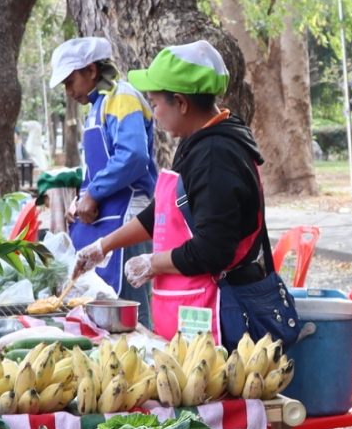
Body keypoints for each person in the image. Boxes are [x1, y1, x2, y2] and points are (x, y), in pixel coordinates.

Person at [71, 41, 300, 346]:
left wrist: (153, 263)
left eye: (155, 103)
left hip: (222, 314)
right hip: (194, 311)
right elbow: (163, 213)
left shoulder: (216, 156)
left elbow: (212, 250)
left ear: (180, 102)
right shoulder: (198, 144)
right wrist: (104, 245)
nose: (154, 112)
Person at [43, 35, 156, 304]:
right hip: (105, 216)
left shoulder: (122, 97)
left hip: (128, 215)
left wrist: (93, 194)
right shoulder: (96, 107)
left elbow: (133, 156)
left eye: (70, 82)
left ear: (91, 71)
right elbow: (95, 168)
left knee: (129, 303)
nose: (68, 91)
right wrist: (80, 202)